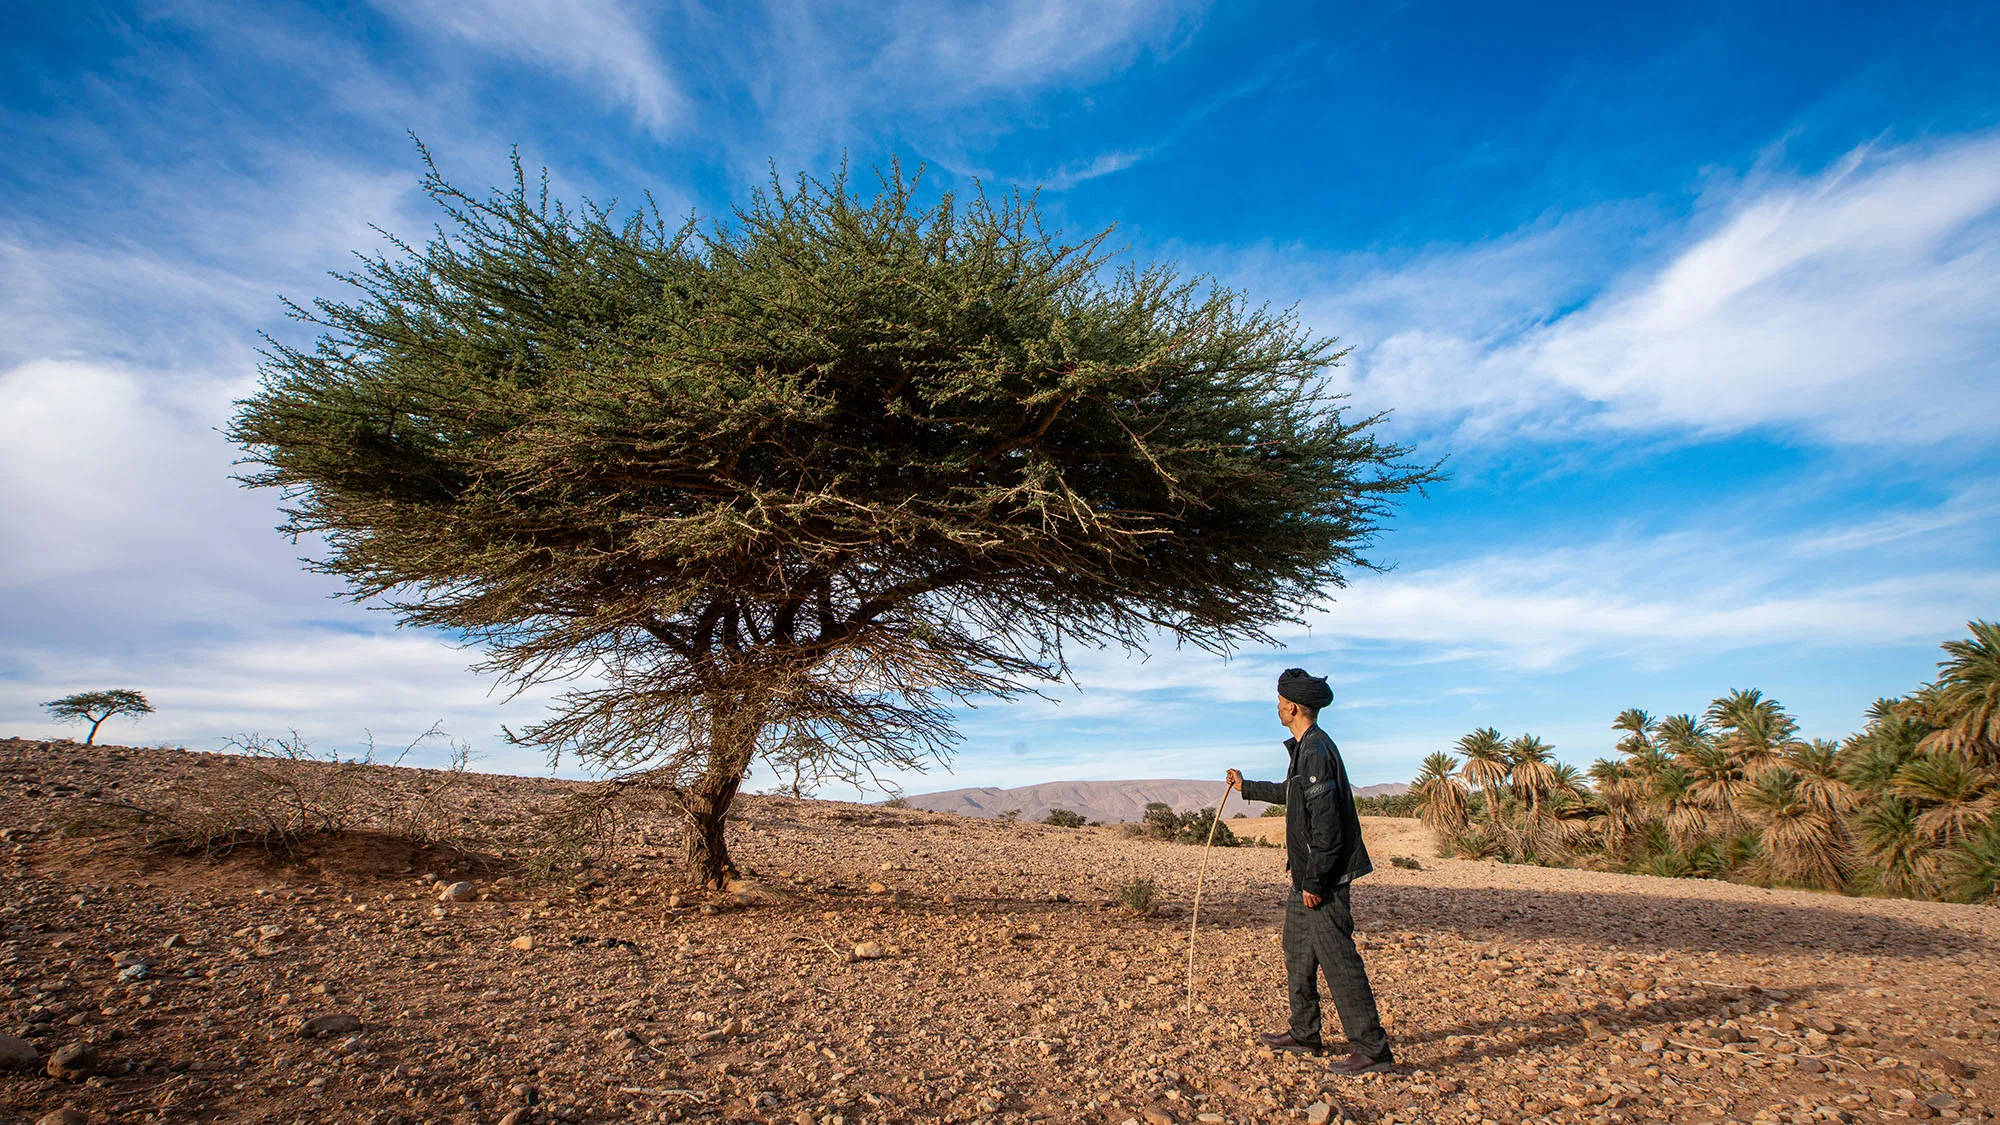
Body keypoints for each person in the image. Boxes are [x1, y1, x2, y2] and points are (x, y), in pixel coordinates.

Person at [1226, 667, 1394, 1074]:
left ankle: (1372, 1049)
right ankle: (1304, 1033)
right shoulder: (1305, 748)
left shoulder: (1316, 750)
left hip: (1323, 880)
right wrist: (1246, 787)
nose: (1278, 707)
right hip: (1304, 877)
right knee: (1298, 952)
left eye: (1281, 701)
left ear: (1294, 706)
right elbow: (1292, 794)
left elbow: (1328, 824)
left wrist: (1316, 881)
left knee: (1338, 959)